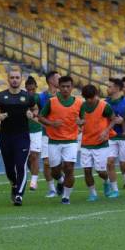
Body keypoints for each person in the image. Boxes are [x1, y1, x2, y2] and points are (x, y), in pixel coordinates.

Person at [0, 70, 36, 206]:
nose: (14, 80)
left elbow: (35, 109)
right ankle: (14, 184)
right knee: (9, 168)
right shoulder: (0, 96)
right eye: (12, 77)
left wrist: (31, 114)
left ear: (21, 79)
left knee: (20, 165)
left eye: (17, 77)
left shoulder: (27, 96)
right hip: (5, 136)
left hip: (22, 136)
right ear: (8, 79)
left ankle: (19, 195)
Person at [38, 76, 83, 204]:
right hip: (54, 141)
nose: (65, 89)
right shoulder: (52, 102)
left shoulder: (79, 102)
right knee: (55, 171)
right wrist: (51, 123)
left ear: (72, 88)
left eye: (68, 86)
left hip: (71, 141)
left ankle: (66, 197)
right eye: (63, 86)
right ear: (59, 87)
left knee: (69, 167)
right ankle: (61, 180)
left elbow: (84, 118)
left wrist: (81, 122)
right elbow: (40, 117)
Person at [79, 84, 118, 201]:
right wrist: (79, 123)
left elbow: (113, 119)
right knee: (86, 170)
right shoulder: (82, 106)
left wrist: (106, 130)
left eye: (91, 97)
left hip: (101, 143)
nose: (89, 100)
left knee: (101, 171)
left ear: (96, 95)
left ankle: (106, 181)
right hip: (86, 143)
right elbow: (81, 122)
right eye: (87, 98)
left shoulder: (104, 106)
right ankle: (93, 193)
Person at [105, 78, 125, 192]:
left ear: (117, 88)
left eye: (109, 87)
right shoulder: (105, 102)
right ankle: (115, 190)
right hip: (111, 137)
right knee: (109, 163)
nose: (107, 89)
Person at [38, 71, 61, 197]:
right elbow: (36, 114)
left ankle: (61, 181)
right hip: (46, 134)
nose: (61, 81)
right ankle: (52, 188)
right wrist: (45, 124)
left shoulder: (63, 96)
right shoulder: (41, 97)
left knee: (59, 164)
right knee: (47, 163)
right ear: (51, 81)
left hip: (62, 135)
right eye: (59, 79)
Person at [25, 76, 43, 190]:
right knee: (27, 158)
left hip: (36, 130)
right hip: (23, 131)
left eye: (33, 89)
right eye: (29, 90)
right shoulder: (22, 98)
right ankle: (33, 173)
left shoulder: (39, 98)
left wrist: (37, 115)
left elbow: (44, 112)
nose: (31, 92)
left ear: (36, 87)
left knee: (34, 155)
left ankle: (34, 182)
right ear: (25, 88)